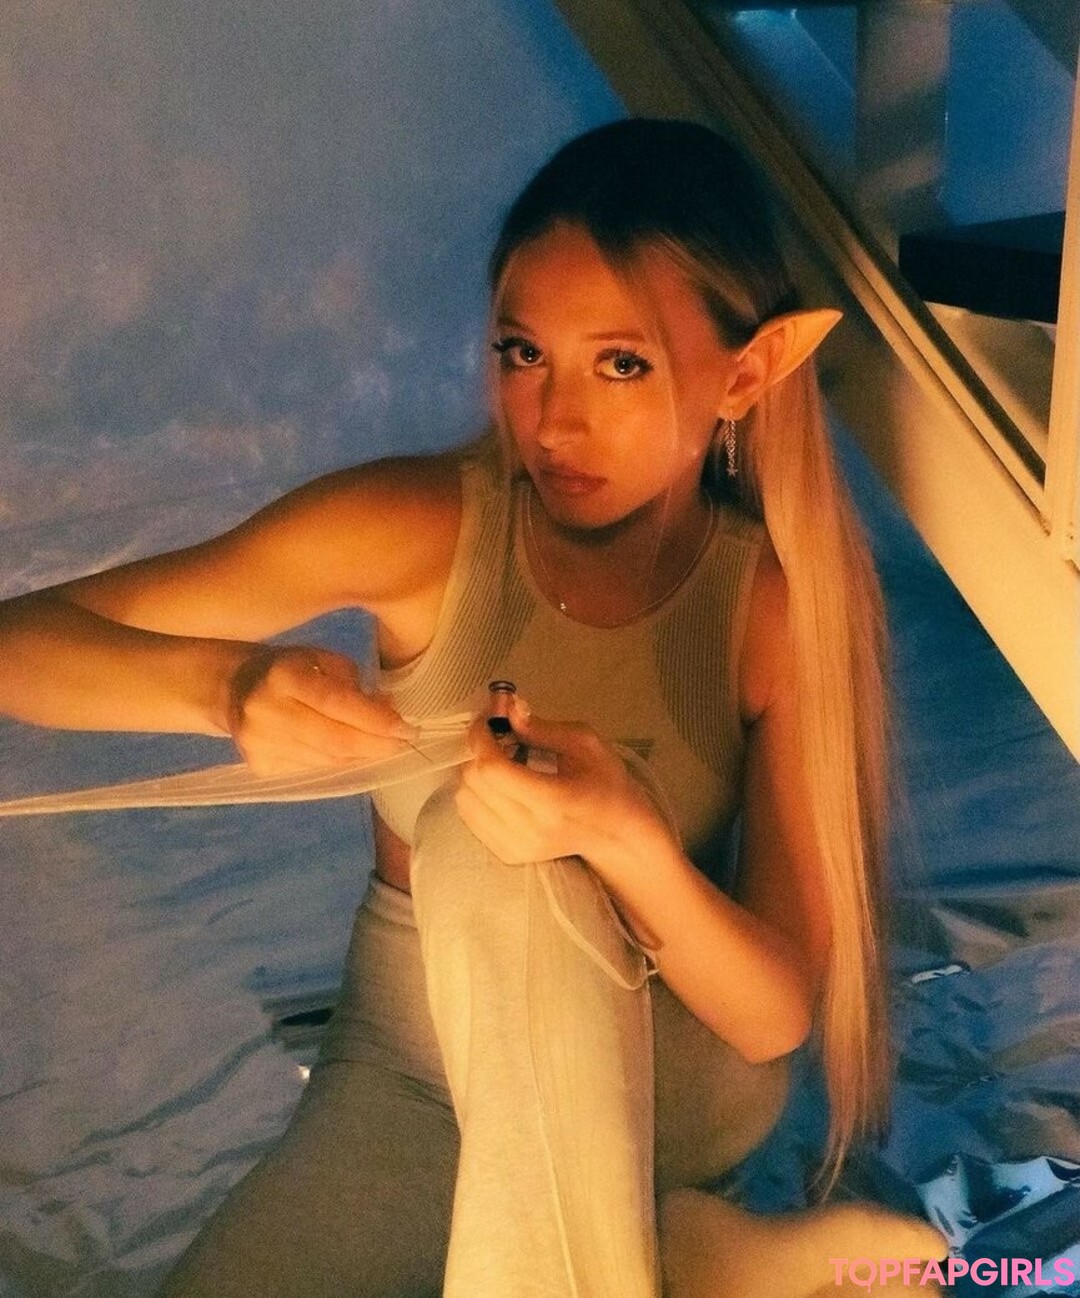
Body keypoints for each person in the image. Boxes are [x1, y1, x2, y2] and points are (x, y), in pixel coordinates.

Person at [0, 119, 946, 1296]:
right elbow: (18, 646)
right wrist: (222, 686)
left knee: (491, 844)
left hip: (670, 1079)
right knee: (481, 851)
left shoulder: (766, 610)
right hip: (417, 1081)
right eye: (522, 352)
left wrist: (623, 836)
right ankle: (682, 1259)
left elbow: (769, 1018)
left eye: (621, 364)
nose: (553, 419)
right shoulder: (425, 525)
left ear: (747, 375)